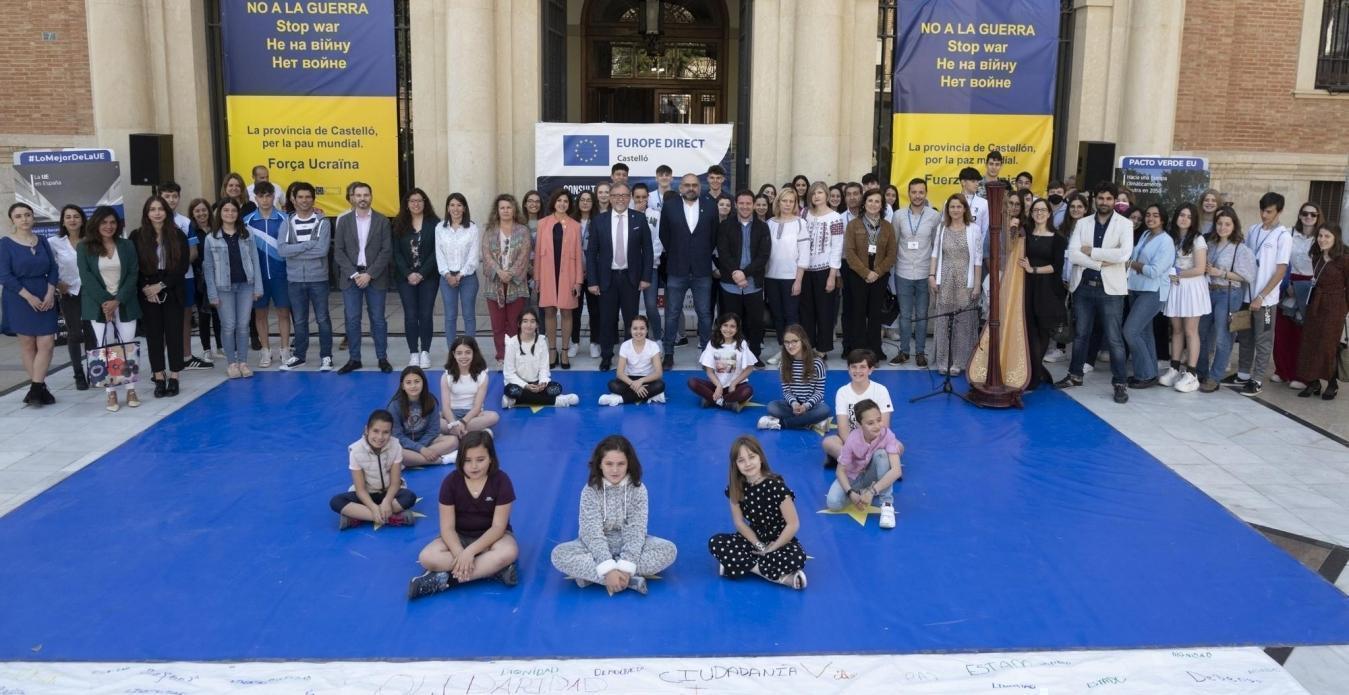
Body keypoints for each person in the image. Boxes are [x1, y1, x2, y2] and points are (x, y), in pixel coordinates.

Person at [550, 435, 678, 595]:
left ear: (628, 464)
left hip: (630, 545)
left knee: (668, 550)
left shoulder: (639, 490)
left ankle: (599, 577)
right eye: (609, 464)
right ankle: (626, 580)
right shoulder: (590, 491)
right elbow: (591, 533)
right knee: (559, 555)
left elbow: (636, 531)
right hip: (594, 547)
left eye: (621, 464)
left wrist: (626, 565)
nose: (615, 470)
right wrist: (607, 567)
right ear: (600, 465)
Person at [408, 430, 520, 598]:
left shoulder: (502, 481)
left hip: (492, 538)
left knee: (509, 552)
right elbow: (447, 528)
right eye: (467, 460)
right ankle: (492, 570)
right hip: (458, 537)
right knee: (427, 557)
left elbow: (498, 527)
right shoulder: (450, 482)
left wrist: (470, 553)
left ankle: (445, 581)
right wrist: (460, 553)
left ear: (491, 459)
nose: (474, 466)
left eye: (480, 460)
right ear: (460, 460)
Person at [1057, 183, 1134, 404]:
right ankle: (1075, 375)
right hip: (1083, 287)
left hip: (1111, 290)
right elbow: (1073, 254)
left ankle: (1120, 383)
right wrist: (1101, 263)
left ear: (1114, 201)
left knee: (1114, 339)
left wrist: (1091, 252)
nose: (1104, 202)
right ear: (1095, 200)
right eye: (1101, 198)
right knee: (1081, 336)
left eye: (1109, 199)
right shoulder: (1082, 223)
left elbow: (1123, 254)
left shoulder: (1125, 224)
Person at [708, 435, 807, 590]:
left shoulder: (777, 487)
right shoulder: (735, 488)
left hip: (780, 540)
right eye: (741, 460)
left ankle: (739, 566)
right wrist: (760, 546)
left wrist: (772, 548)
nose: (747, 464)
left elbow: (793, 524)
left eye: (751, 457)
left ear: (760, 458)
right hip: (754, 538)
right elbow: (739, 523)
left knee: (797, 557)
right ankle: (775, 575)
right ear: (736, 465)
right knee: (716, 542)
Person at [78, 206, 142, 411]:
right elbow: (86, 278)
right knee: (107, 349)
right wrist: (106, 302)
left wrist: (117, 301)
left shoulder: (127, 245)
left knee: (127, 347)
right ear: (96, 224)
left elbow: (133, 274)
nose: (108, 226)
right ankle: (111, 393)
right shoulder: (84, 247)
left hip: (125, 303)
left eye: (112, 222)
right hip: (98, 306)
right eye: (104, 222)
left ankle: (131, 389)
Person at [587, 183, 652, 372]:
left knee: (631, 320)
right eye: (616, 195)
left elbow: (647, 250)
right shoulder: (599, 220)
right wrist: (592, 280)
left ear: (629, 197)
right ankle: (607, 356)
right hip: (607, 278)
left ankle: (631, 358)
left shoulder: (639, 218)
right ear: (610, 197)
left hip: (631, 278)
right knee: (607, 319)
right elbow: (591, 253)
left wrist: (646, 276)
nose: (620, 199)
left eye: (624, 195)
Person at [1230, 192, 1290, 396]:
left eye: (1269, 211)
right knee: (1244, 336)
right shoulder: (1253, 229)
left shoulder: (1283, 235)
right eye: (1262, 210)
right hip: (1245, 295)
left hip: (1265, 300)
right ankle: (1244, 374)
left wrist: (1262, 296)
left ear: (1279, 211)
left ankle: (1256, 380)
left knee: (1263, 340)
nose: (1264, 215)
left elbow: (1280, 270)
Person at [131, 195, 189, 397]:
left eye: (160, 209)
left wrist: (161, 285)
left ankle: (174, 376)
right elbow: (133, 267)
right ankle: (159, 376)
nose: (157, 213)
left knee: (174, 334)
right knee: (154, 336)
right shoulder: (136, 236)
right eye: (152, 209)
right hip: (147, 291)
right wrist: (147, 288)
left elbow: (182, 266)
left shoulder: (178, 235)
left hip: (172, 288)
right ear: (146, 213)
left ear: (167, 212)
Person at [2, 203, 59, 405]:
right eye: (18, 216)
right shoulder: (5, 243)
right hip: (19, 297)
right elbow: (5, 276)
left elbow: (53, 268)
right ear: (12, 220)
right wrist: (29, 296)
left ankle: (35, 389)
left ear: (33, 217)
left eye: (27, 214)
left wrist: (51, 292)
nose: (24, 219)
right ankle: (39, 388)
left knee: (47, 344)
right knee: (28, 345)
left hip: (45, 294)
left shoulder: (42, 240)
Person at [334, 182, 394, 374]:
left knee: (378, 319)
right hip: (350, 277)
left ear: (371, 196)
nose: (362, 199)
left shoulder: (382, 221)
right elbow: (339, 251)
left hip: (375, 276)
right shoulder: (343, 221)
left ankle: (382, 358)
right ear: (352, 197)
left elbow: (386, 251)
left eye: (365, 195)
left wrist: (369, 274)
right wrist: (354, 274)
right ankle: (354, 359)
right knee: (352, 319)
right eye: (358, 195)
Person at [1195, 208, 1257, 392]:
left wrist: (1220, 272)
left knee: (1223, 337)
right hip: (1208, 291)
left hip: (1228, 293)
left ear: (1234, 225)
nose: (1223, 227)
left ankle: (1215, 377)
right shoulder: (1210, 244)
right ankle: (1201, 372)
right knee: (1201, 333)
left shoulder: (1241, 248)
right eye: (1220, 223)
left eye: (1227, 224)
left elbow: (1248, 276)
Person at [660, 173, 717, 368]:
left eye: (695, 185)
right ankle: (668, 353)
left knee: (704, 314)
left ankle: (707, 354)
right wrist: (678, 253)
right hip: (677, 268)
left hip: (702, 270)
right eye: (687, 185)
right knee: (672, 313)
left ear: (699, 188)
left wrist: (700, 254)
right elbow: (664, 235)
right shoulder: (670, 206)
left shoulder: (710, 205)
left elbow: (714, 236)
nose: (691, 188)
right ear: (680, 187)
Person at [203, 199, 264, 378]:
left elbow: (255, 260)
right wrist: (212, 293)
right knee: (228, 326)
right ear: (220, 213)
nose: (230, 213)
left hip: (246, 285)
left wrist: (257, 287)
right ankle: (231, 363)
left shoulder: (247, 233)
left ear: (238, 213)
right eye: (226, 210)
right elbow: (208, 268)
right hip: (223, 287)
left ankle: (243, 362)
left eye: (233, 210)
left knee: (243, 325)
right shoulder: (211, 238)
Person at [330, 409, 419, 530]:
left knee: (410, 497)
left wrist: (387, 501)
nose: (380, 437)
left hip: (389, 494)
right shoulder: (355, 451)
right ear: (367, 430)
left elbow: (395, 483)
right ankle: (391, 517)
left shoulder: (396, 446)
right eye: (375, 431)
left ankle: (359, 516)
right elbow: (360, 490)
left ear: (391, 432)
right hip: (366, 496)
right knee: (336, 502)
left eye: (386, 432)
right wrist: (373, 507)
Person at [277, 182, 334, 372]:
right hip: (294, 279)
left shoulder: (323, 222)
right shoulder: (287, 222)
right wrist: (307, 245)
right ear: (293, 199)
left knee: (322, 319)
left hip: (318, 278)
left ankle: (326, 356)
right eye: (300, 197)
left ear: (313, 199)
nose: (304, 200)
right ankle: (300, 356)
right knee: (299, 321)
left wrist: (297, 250)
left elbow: (322, 250)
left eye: (308, 197)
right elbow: (282, 250)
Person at [1122, 203, 1175, 389]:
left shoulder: (1166, 241)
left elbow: (1154, 271)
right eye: (1148, 215)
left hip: (1153, 291)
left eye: (1155, 215)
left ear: (1163, 219)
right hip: (1136, 288)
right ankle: (1148, 374)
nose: (1150, 218)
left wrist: (1133, 264)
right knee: (1144, 333)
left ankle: (1145, 374)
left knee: (1130, 331)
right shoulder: (1145, 235)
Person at [826, 398, 903, 529]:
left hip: (871, 475)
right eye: (870, 423)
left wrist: (873, 491)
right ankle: (862, 493)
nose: (877, 426)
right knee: (833, 504)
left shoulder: (888, 435)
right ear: (859, 425)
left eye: (879, 420)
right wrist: (851, 493)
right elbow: (840, 470)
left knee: (881, 455)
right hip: (853, 478)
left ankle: (887, 505)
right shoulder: (852, 439)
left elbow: (896, 470)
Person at [1159, 203, 1210, 393]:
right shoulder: (1170, 238)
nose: (1184, 219)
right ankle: (1174, 368)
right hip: (1175, 286)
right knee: (1177, 329)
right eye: (1182, 215)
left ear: (1193, 220)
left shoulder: (1198, 239)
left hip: (1191, 287)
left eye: (1189, 216)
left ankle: (1192, 374)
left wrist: (1177, 273)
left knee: (1190, 330)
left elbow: (1199, 268)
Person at [929, 194, 982, 376]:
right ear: (947, 209)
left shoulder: (974, 229)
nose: (955, 210)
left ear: (965, 209)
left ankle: (959, 362)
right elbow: (935, 253)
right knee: (943, 320)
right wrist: (932, 275)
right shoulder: (942, 228)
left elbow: (977, 260)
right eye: (952, 207)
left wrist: (976, 285)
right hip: (945, 280)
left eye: (959, 206)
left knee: (963, 322)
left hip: (964, 282)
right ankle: (943, 360)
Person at [715, 190, 771, 361]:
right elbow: (723, 253)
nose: (745, 206)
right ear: (736, 204)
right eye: (742, 203)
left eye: (748, 203)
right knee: (730, 324)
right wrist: (736, 273)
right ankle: (731, 357)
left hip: (753, 284)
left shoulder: (762, 227)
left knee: (755, 323)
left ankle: (754, 356)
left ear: (753, 205)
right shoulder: (726, 226)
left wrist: (744, 273)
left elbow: (764, 255)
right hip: (730, 285)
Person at [1295, 224, 1349, 400]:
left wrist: (1345, 310)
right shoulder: (1316, 256)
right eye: (1320, 236)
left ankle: (1332, 383)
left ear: (1335, 239)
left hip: (1334, 306)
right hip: (1315, 305)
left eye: (1327, 236)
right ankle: (1313, 382)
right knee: (1311, 343)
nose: (1322, 239)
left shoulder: (1344, 259)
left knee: (1327, 345)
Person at [1019, 198, 1069, 389]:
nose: (1039, 213)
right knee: (1029, 330)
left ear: (1049, 214)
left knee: (1042, 331)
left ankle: (1034, 373)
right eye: (1035, 210)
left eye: (1043, 210)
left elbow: (1057, 266)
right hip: (1027, 287)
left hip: (1048, 289)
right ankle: (1034, 372)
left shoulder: (1058, 238)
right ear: (1031, 214)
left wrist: (1033, 270)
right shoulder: (1025, 236)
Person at [841, 189, 896, 359]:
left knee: (875, 315)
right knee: (857, 314)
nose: (873, 204)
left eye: (877, 201)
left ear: (882, 205)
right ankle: (858, 351)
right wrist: (865, 272)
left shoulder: (887, 226)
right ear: (864, 203)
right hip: (857, 275)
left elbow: (892, 253)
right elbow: (849, 253)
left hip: (879, 277)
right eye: (870, 200)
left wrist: (877, 272)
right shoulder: (854, 225)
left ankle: (875, 350)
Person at [891, 178, 939, 366]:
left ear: (925, 193)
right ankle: (904, 352)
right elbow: (894, 242)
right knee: (904, 315)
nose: (917, 196)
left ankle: (920, 352)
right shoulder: (898, 215)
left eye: (921, 192)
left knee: (921, 315)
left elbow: (936, 246)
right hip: (902, 271)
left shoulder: (934, 217)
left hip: (925, 272)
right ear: (908, 193)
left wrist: (934, 274)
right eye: (914, 192)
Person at [242, 183, 290, 368]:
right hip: (258, 277)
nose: (265, 199)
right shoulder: (247, 221)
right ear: (255, 197)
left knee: (283, 313)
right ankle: (265, 350)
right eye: (261, 196)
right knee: (260, 314)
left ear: (274, 197)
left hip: (281, 275)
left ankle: (285, 349)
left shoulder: (285, 219)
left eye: (268, 195)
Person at [1275, 202, 1322, 389]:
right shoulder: (1288, 233)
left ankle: (1300, 375)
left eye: (1313, 214)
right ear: (1300, 215)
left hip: (1309, 286)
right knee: (1281, 330)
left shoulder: (1321, 237)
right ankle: (1282, 371)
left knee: (1301, 332)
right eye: (1305, 213)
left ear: (1318, 217)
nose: (1309, 217)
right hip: (1287, 283)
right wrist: (1286, 283)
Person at [534, 189, 583, 369]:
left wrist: (578, 281)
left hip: (568, 275)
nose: (562, 204)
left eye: (566, 201)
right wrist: (537, 278)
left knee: (567, 312)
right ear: (553, 202)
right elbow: (538, 254)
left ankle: (564, 350)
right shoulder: (542, 224)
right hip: (547, 274)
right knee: (549, 311)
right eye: (559, 200)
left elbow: (578, 255)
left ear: (569, 205)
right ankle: (552, 349)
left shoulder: (575, 225)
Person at [159, 182, 206, 371]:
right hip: (159, 280)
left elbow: (193, 251)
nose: (171, 200)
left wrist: (177, 270)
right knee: (161, 320)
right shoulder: (152, 220)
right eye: (167, 196)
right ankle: (160, 362)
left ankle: (186, 357)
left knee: (185, 317)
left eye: (174, 196)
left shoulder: (185, 222)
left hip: (184, 277)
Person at [391, 188, 439, 369]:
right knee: (411, 315)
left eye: (419, 200)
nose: (416, 204)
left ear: (425, 203)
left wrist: (421, 273)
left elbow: (437, 251)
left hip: (428, 277)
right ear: (407, 204)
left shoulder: (435, 224)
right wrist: (408, 273)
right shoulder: (398, 223)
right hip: (405, 278)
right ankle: (413, 353)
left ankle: (425, 352)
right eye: (412, 201)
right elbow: (395, 252)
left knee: (426, 315)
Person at [481, 194, 531, 364]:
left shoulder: (523, 231)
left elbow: (524, 255)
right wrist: (499, 271)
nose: (506, 210)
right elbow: (486, 255)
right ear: (497, 210)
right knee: (498, 325)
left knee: (514, 323)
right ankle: (501, 355)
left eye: (509, 207)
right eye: (502, 207)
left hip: (516, 284)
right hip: (494, 284)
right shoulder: (489, 231)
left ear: (514, 209)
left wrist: (510, 273)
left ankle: (514, 355)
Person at [821, 348, 893, 464]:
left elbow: (884, 426)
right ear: (848, 369)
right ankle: (868, 462)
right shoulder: (842, 392)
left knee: (898, 446)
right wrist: (855, 446)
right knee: (828, 442)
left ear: (870, 370)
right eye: (854, 367)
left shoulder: (881, 390)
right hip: (851, 439)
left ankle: (849, 461)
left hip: (875, 439)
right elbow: (843, 428)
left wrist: (870, 445)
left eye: (862, 367)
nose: (857, 371)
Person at [798, 182, 845, 358]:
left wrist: (832, 275)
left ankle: (823, 348)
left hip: (825, 270)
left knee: (825, 310)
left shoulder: (835, 217)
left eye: (820, 192)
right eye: (813, 193)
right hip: (805, 270)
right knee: (806, 311)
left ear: (826, 195)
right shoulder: (804, 214)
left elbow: (836, 248)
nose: (816, 196)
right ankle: (808, 346)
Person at [51, 205, 94, 390]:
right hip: (70, 294)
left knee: (93, 334)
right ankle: (78, 374)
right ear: (63, 220)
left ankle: (96, 371)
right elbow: (48, 267)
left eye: (76, 216)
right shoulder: (54, 242)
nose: (72, 220)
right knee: (75, 334)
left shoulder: (92, 240)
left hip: (92, 293)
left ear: (83, 219)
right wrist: (57, 283)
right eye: (68, 217)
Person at [502, 308, 580, 408]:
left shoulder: (541, 341)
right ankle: (557, 401)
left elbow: (544, 368)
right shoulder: (512, 343)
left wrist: (542, 382)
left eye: (532, 321)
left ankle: (515, 401)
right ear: (519, 324)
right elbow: (509, 374)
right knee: (510, 390)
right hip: (519, 385)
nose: (529, 325)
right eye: (525, 321)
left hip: (537, 383)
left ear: (537, 325)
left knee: (556, 388)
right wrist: (526, 386)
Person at [759, 324, 830, 432]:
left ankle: (783, 424)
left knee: (824, 410)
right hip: (792, 406)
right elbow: (786, 391)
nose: (790, 346)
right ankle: (810, 422)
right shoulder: (783, 364)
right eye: (787, 342)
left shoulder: (817, 363)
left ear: (803, 341)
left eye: (794, 341)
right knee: (772, 407)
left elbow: (819, 392)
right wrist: (794, 404)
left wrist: (806, 406)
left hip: (812, 405)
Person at [387, 366, 459, 468]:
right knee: (397, 453)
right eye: (408, 382)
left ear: (423, 383)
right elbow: (397, 436)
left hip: (426, 442)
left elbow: (433, 431)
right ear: (402, 386)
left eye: (417, 381)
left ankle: (412, 461)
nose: (413, 386)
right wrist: (421, 449)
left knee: (453, 441)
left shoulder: (431, 401)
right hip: (404, 445)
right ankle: (442, 460)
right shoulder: (394, 406)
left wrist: (421, 447)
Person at [763, 189, 804, 366]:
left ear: (795, 204)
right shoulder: (769, 223)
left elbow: (804, 255)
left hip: (791, 278)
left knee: (791, 316)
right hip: (771, 277)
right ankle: (783, 349)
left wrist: (799, 280)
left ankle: (794, 354)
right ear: (778, 202)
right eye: (784, 201)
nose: (787, 204)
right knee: (778, 316)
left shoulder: (800, 223)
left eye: (791, 201)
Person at [435, 193, 480, 349]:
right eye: (452, 205)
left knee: (468, 316)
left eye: (459, 205)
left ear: (464, 208)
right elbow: (439, 254)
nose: (456, 208)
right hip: (446, 278)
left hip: (467, 278)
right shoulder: (440, 228)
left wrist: (459, 275)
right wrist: (447, 275)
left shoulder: (472, 228)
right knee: (450, 316)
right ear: (448, 207)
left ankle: (470, 350)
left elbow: (473, 257)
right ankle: (452, 351)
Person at [688, 312, 756, 411]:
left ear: (737, 329)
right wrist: (718, 386)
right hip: (716, 385)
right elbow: (709, 371)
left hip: (735, 386)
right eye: (725, 325)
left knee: (747, 391)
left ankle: (712, 400)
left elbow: (749, 368)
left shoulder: (742, 344)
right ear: (720, 327)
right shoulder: (712, 343)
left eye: (732, 326)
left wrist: (733, 383)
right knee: (692, 382)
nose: (728, 329)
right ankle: (726, 402)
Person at [440, 336, 500, 440]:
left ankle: (456, 433)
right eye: (459, 353)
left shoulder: (482, 376)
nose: (463, 356)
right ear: (454, 354)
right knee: (431, 419)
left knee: (494, 416)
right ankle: (475, 433)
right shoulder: (446, 377)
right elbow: (446, 407)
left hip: (473, 415)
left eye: (468, 352)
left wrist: (463, 422)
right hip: (452, 414)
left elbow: (477, 407)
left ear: (473, 353)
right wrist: (453, 423)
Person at [600, 314, 666, 406]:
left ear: (647, 330)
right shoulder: (625, 345)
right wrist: (634, 385)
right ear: (630, 330)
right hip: (629, 379)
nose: (638, 331)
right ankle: (651, 396)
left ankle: (620, 399)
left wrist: (641, 381)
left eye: (642, 328)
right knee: (613, 385)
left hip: (647, 379)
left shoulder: (653, 346)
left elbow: (658, 373)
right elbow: (619, 373)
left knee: (660, 385)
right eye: (635, 328)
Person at [186, 198, 222, 365]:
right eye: (197, 211)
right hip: (200, 278)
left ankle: (221, 347)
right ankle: (207, 349)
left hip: (218, 276)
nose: (201, 213)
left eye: (204, 210)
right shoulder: (191, 231)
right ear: (193, 214)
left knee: (218, 313)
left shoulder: (217, 229)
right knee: (204, 314)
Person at [571, 190, 602, 358]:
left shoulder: (598, 221)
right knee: (575, 309)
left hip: (593, 272)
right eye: (582, 200)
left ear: (593, 202)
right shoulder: (570, 221)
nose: (585, 203)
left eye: (588, 200)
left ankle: (594, 342)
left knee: (595, 310)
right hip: (574, 273)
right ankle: (574, 342)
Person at [633, 183, 665, 346]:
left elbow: (659, 240)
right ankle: (632, 339)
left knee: (651, 305)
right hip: (630, 268)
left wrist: (649, 259)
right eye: (637, 197)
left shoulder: (656, 215)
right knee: (630, 307)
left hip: (650, 267)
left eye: (644, 197)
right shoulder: (627, 215)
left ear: (648, 197)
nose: (641, 200)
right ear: (632, 198)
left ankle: (658, 338)